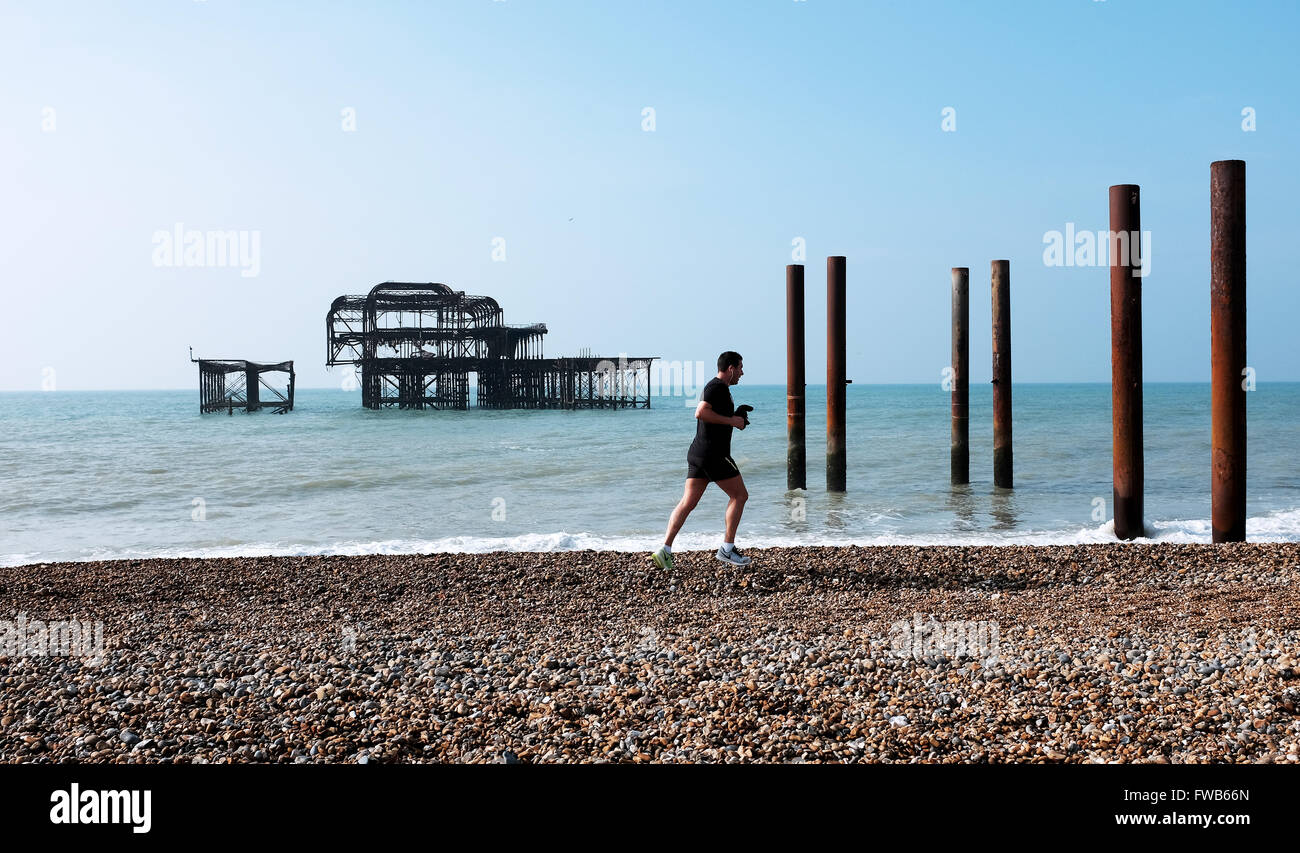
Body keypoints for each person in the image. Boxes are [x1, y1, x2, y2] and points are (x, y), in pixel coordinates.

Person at [651, 351, 751, 568]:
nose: (742, 373)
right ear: (731, 368)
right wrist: (733, 421)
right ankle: (727, 549)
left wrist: (737, 416)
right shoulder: (716, 387)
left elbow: (717, 418)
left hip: (699, 453)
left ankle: (665, 550)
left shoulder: (719, 389)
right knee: (740, 495)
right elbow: (701, 412)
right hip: (713, 455)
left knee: (688, 503)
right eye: (740, 368)